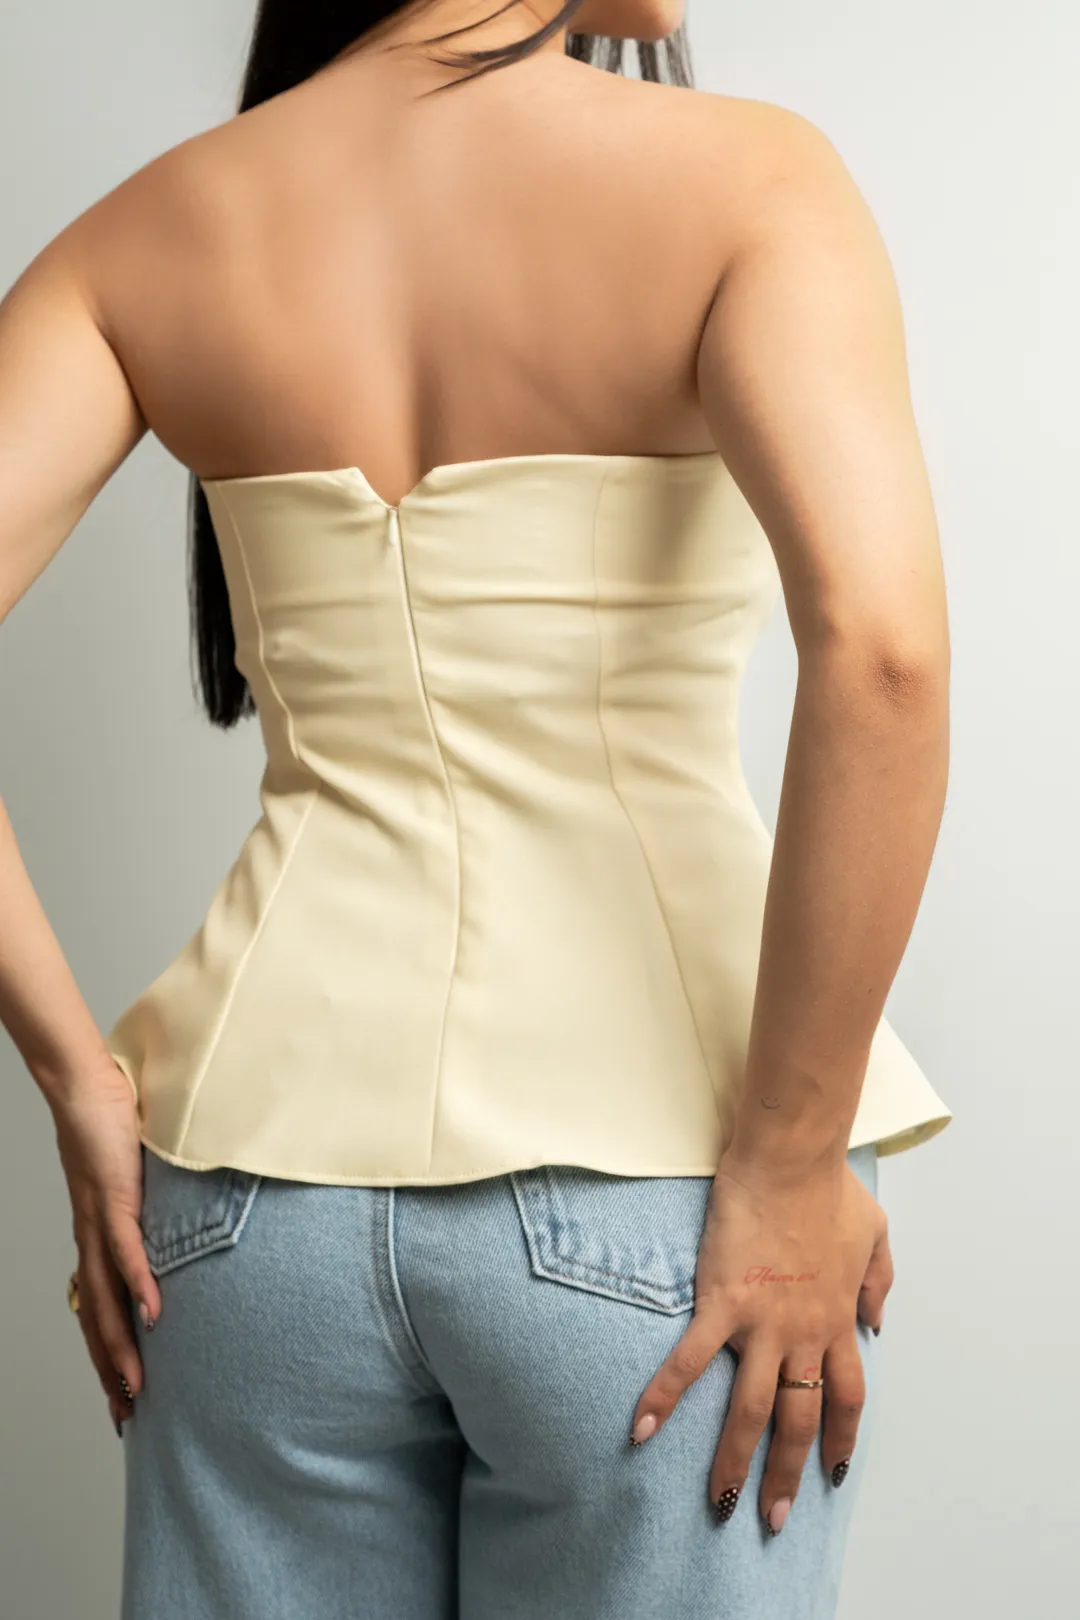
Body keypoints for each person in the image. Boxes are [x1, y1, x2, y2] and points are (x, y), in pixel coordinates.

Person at [0, 2, 953, 1616]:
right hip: (660, 1198)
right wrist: (796, 1158)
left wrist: (74, 1078)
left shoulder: (147, 234)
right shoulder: (753, 184)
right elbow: (884, 654)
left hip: (242, 1218)